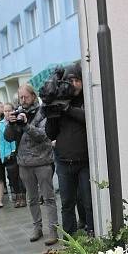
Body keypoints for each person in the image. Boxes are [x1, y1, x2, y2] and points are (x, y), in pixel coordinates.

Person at [4, 84, 58, 245]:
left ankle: (53, 230)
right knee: (32, 199)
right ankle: (37, 228)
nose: (23, 100)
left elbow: (43, 135)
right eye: (20, 97)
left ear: (33, 96)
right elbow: (8, 138)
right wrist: (11, 124)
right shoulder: (18, 113)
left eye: (25, 97)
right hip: (24, 163)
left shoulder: (43, 111)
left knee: (48, 198)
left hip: (42, 162)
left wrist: (26, 126)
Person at [45, 62, 94, 236]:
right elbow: (50, 134)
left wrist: (68, 109)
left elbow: (89, 119)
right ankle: (70, 239)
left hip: (85, 162)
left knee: (89, 202)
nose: (73, 84)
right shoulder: (60, 99)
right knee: (66, 204)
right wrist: (52, 113)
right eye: (69, 80)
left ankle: (92, 234)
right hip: (64, 162)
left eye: (76, 80)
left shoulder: (87, 99)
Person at [0, 102, 26, 207]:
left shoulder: (17, 121)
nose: (7, 113)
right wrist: (3, 156)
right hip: (7, 154)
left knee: (20, 176)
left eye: (9, 110)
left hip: (17, 151)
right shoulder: (1, 124)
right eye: (5, 111)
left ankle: (23, 196)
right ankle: (17, 196)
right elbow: (1, 141)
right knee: (12, 176)